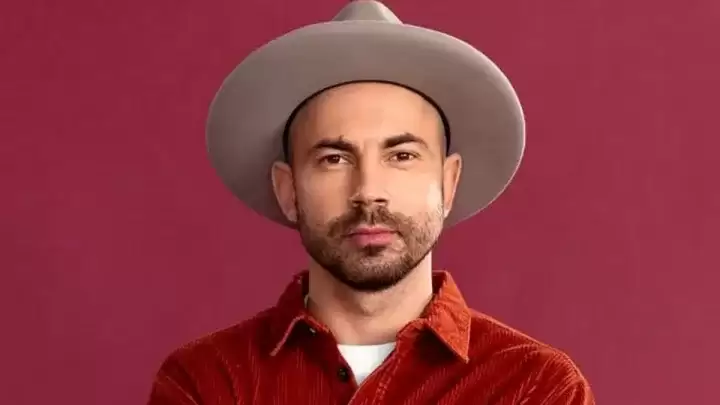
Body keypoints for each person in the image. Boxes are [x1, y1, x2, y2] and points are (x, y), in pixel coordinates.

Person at [147, 1, 595, 404]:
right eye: (334, 159)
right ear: (288, 190)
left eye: (401, 156)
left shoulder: (536, 387)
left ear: (448, 182)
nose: (368, 190)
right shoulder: (207, 382)